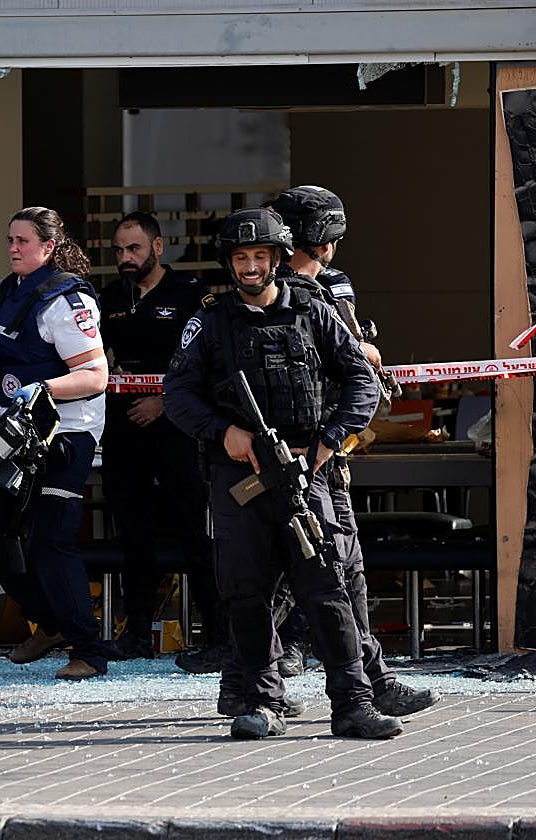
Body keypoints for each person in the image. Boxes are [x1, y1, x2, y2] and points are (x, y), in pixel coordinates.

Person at [163, 207, 403, 739]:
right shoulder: (209, 321)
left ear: (277, 258)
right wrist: (224, 433)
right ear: (229, 262)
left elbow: (361, 383)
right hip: (240, 476)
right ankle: (262, 701)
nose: (250, 267)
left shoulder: (314, 312)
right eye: (241, 257)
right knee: (245, 592)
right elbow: (176, 395)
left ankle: (353, 703)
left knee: (327, 589)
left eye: (260, 256)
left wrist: (326, 442)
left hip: (306, 471)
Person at [269, 185, 440, 717]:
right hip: (289, 453)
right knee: (277, 574)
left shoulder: (326, 286)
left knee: (344, 566)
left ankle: (366, 677)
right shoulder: (275, 295)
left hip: (328, 447)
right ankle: (256, 679)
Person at [0, 207, 110, 681]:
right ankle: (48, 620)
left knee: (52, 541)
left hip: (66, 434)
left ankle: (89, 652)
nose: (13, 247)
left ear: (49, 247)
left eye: (24, 241)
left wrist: (47, 389)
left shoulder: (65, 299)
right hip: (16, 433)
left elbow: (96, 374)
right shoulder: (10, 291)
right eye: (10, 239)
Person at [96, 212, 228, 667]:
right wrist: (107, 372)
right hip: (124, 428)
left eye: (133, 249)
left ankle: (217, 636)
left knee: (196, 533)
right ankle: (135, 634)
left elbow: (211, 366)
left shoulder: (191, 296)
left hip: (177, 430)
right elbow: (91, 355)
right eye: (118, 250)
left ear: (157, 247)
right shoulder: (109, 298)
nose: (125, 258)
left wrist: (164, 401)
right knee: (133, 535)